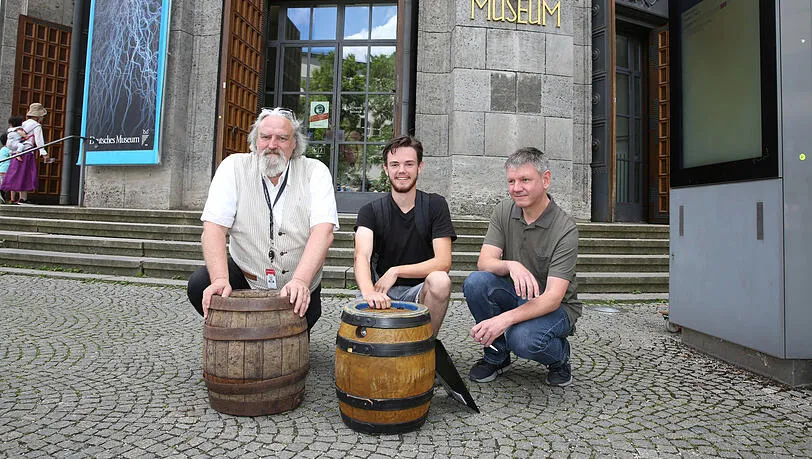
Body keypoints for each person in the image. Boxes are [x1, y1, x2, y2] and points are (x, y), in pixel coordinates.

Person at [187, 107, 338, 331]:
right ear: (255, 141)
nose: (272, 145)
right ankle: (241, 332)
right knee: (200, 283)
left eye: (282, 138)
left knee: (291, 337)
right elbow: (213, 228)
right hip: (247, 278)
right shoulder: (232, 167)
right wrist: (220, 279)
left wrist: (301, 281)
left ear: (294, 143)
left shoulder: (315, 171)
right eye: (265, 137)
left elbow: (323, 232)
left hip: (298, 285)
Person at [463, 147, 580, 387]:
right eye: (511, 181)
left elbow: (553, 298)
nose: (517, 187)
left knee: (523, 339)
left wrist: (503, 320)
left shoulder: (565, 229)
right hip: (516, 294)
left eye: (525, 179)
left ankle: (560, 357)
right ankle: (497, 356)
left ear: (545, 179)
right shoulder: (504, 210)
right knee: (476, 282)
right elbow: (484, 262)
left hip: (556, 307)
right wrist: (511, 265)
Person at [353, 135, 456, 337]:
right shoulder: (370, 211)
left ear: (420, 167)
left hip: (420, 291)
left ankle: (425, 346)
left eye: (409, 164)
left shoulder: (435, 205)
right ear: (386, 169)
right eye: (395, 164)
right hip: (380, 291)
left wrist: (396, 271)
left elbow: (443, 262)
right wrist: (369, 292)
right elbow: (361, 256)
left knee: (440, 281)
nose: (402, 171)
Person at [1, 106, 49, 204]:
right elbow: (39, 141)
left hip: (16, 152)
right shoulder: (36, 126)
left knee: (17, 174)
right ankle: (22, 197)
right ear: (38, 116)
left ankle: (21, 198)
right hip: (27, 152)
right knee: (27, 174)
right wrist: (44, 153)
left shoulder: (22, 124)